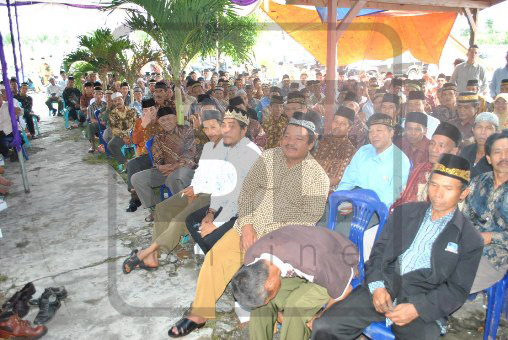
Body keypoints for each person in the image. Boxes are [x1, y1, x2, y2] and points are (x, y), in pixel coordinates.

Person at [168, 113, 329, 338]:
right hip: (248, 226)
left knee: (261, 278)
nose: (290, 142)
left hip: (282, 243)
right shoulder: (269, 157)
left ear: (312, 143)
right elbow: (247, 193)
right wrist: (246, 225)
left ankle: (266, 316)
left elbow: (307, 219)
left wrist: (267, 240)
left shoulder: (317, 177)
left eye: (299, 139)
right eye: (286, 136)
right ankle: (200, 312)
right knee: (215, 259)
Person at [312, 154, 484, 340]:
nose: (437, 193)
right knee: (325, 326)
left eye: (448, 188)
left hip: (424, 298)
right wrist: (377, 286)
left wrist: (418, 308)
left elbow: (457, 289)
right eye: (434, 185)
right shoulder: (405, 212)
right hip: (384, 287)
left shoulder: (469, 238)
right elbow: (378, 254)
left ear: (463, 193)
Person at [232, 225, 359, 340]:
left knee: (295, 307)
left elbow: (345, 290)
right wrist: (276, 314)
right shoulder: (251, 259)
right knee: (262, 306)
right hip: (299, 267)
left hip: (337, 261)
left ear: (270, 283)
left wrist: (322, 318)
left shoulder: (313, 263)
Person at [185, 107, 262, 254]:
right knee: (192, 220)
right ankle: (213, 253)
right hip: (232, 204)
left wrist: (216, 223)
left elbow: (238, 198)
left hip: (250, 210)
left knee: (209, 235)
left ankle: (220, 256)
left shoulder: (248, 152)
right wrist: (211, 212)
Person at [337, 113, 411, 210]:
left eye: (379, 130)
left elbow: (389, 198)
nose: (374, 135)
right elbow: (347, 181)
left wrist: (359, 206)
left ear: (391, 132)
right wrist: (339, 198)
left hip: (374, 210)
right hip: (350, 201)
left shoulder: (400, 160)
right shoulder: (363, 151)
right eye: (370, 131)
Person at [465, 131, 508, 293]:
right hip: (467, 247)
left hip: (497, 257)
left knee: (455, 281)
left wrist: (490, 237)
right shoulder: (478, 182)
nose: (504, 157)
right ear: (489, 159)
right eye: (498, 152)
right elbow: (466, 217)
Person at [131, 106, 195, 215]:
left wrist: (175, 166)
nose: (166, 122)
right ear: (159, 122)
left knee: (174, 178)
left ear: (175, 118)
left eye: (169, 118)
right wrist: (161, 167)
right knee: (137, 178)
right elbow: (157, 159)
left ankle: (185, 211)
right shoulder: (159, 137)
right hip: (166, 170)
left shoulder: (187, 131)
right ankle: (157, 208)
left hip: (187, 169)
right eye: (163, 120)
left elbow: (190, 153)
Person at [391, 122, 462, 210]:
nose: (434, 149)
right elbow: (403, 195)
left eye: (441, 145)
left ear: (453, 151)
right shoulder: (421, 168)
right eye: (432, 143)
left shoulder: (455, 180)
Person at [125, 98, 161, 212]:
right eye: (145, 110)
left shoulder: (162, 120)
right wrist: (142, 126)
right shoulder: (139, 121)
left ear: (156, 108)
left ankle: (137, 199)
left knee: (134, 165)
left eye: (151, 109)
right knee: (132, 165)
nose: (149, 112)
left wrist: (150, 125)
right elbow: (135, 140)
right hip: (145, 155)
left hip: (160, 156)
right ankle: (135, 197)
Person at [313, 106, 356, 191]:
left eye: (343, 124)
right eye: (336, 122)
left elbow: (337, 178)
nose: (338, 126)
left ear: (350, 127)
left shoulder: (349, 150)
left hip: (328, 192)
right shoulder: (323, 140)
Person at [459, 112, 498, 179]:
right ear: (473, 130)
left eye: (489, 128)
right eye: (479, 127)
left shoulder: (500, 156)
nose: (483, 132)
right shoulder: (466, 151)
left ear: (496, 132)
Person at [104, 92, 138, 169]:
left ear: (123, 99)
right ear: (113, 103)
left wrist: (130, 134)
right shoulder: (112, 114)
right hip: (121, 135)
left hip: (133, 133)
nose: (118, 102)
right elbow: (114, 128)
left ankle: (139, 160)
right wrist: (123, 137)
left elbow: (136, 124)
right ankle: (125, 162)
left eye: (119, 99)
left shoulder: (132, 110)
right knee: (111, 145)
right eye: (115, 101)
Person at [86, 86, 107, 153]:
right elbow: (91, 119)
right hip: (98, 124)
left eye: (100, 94)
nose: (98, 96)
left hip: (107, 123)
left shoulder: (105, 104)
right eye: (96, 94)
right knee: (90, 125)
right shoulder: (91, 106)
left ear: (102, 95)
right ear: (93, 95)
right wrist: (100, 122)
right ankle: (93, 146)